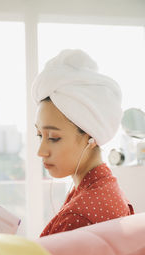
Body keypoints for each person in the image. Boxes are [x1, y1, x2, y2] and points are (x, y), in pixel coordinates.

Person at [32, 49, 134, 237]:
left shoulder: (78, 218)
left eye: (53, 137)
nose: (41, 151)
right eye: (40, 135)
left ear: (90, 137)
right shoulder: (103, 187)